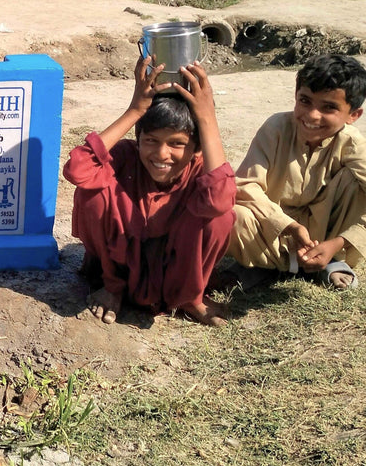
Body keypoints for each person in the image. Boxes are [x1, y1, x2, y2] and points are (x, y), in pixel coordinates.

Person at [64, 57, 235, 326]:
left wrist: (206, 117)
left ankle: (190, 298)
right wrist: (134, 110)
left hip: (174, 269)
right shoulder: (125, 158)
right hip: (117, 266)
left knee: (220, 217)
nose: (161, 154)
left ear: (196, 149)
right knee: (91, 192)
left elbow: (221, 201)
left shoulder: (199, 169)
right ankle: (112, 288)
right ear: (138, 139)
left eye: (177, 143)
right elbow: (77, 170)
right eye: (150, 141)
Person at [229, 54, 366, 290]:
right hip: (274, 232)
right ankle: (271, 265)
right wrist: (290, 226)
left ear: (353, 115)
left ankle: (329, 258)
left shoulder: (351, 143)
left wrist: (338, 242)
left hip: (326, 235)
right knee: (233, 214)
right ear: (295, 97)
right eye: (305, 101)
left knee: (355, 183)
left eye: (329, 107)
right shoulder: (276, 129)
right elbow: (245, 185)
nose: (312, 115)